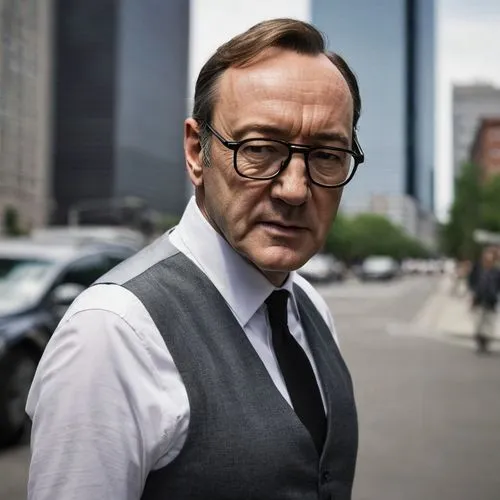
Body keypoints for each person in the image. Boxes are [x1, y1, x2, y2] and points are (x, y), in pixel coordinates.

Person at [26, 18, 364, 500]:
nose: (294, 188)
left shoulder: (308, 306)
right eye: (260, 149)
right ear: (195, 152)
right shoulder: (113, 335)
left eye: (327, 155)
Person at [468, 246, 500, 353]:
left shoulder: (496, 271)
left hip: (491, 300)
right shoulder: (478, 269)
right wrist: (473, 292)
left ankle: (485, 344)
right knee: (478, 322)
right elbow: (471, 280)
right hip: (479, 299)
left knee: (489, 323)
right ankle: (479, 341)